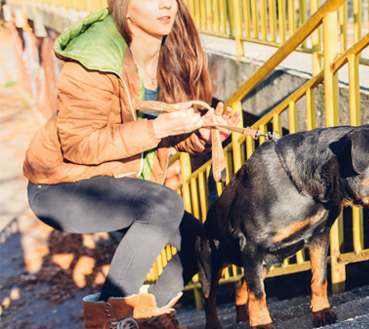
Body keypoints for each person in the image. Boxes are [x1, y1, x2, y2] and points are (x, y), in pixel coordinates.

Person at [22, 0, 238, 327]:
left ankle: (150, 310)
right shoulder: (94, 58)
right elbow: (79, 144)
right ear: (123, 5)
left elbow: (166, 133)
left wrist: (205, 137)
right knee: (163, 203)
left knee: (204, 242)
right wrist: (157, 128)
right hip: (59, 183)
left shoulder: (169, 54)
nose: (165, 3)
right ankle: (107, 320)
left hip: (116, 177)